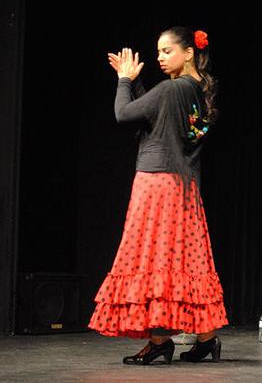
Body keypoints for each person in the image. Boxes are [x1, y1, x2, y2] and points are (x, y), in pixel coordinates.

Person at [88, 27, 228, 365]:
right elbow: (157, 115)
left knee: (155, 259)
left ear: (189, 52)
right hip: (185, 188)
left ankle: (160, 341)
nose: (160, 57)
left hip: (157, 185)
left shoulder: (172, 88)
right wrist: (137, 84)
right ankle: (205, 339)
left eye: (167, 51)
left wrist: (123, 80)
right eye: (159, 52)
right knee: (185, 261)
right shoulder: (196, 89)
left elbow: (125, 114)